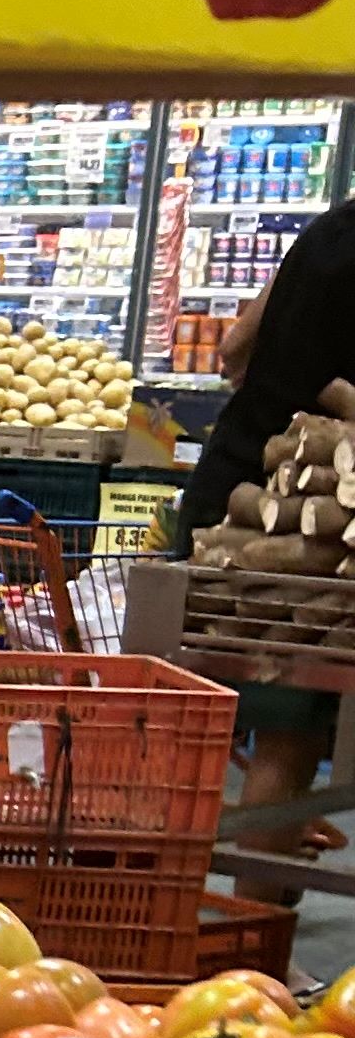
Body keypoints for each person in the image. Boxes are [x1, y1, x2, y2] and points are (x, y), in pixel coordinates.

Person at [179, 208, 355, 869]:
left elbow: (233, 351)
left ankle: (183, 908)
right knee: (288, 737)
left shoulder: (327, 231)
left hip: (225, 493)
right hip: (292, 527)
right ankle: (257, 941)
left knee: (189, 720)